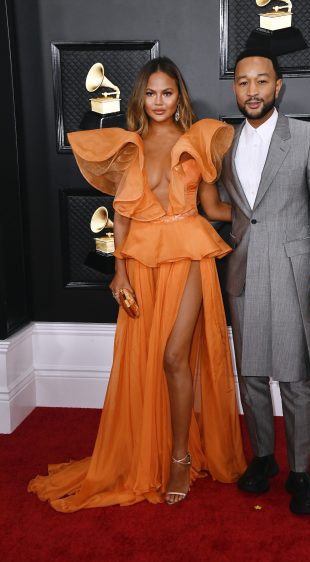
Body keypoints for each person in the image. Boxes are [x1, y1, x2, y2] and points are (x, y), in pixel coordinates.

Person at [28, 57, 246, 510]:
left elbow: (213, 207)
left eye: (167, 93)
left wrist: (265, 213)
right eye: (151, 93)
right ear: (140, 99)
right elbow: (122, 217)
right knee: (146, 357)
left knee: (173, 356)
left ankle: (180, 458)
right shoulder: (130, 146)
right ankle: (151, 450)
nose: (159, 101)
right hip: (141, 262)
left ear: (178, 96)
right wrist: (119, 270)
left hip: (188, 254)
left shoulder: (196, 141)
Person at [219, 48, 310, 515]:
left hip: (296, 271)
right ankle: (264, 459)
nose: (252, 91)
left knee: (294, 376)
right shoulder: (222, 143)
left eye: (261, 81)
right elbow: (224, 206)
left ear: (278, 86)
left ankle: (300, 472)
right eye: (243, 82)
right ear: (236, 89)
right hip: (243, 268)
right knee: (250, 373)